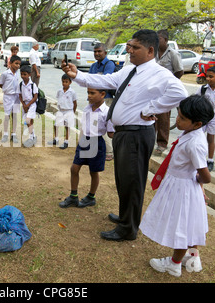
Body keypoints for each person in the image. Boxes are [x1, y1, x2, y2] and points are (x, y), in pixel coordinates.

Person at [62, 29, 188, 241]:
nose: (129, 50)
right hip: (123, 134)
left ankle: (128, 228)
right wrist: (78, 76)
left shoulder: (159, 74)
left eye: (135, 47)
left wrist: (151, 109)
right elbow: (107, 81)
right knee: (123, 180)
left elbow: (181, 94)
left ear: (150, 50)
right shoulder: (131, 70)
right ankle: (124, 216)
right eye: (129, 46)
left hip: (137, 135)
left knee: (133, 181)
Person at [140, 94, 214, 277]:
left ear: (197, 124)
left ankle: (174, 264)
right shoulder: (190, 132)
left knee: (181, 227)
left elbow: (205, 175)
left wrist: (199, 184)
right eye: (178, 115)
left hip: (183, 188)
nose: (177, 120)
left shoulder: (195, 144)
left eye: (182, 118)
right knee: (190, 225)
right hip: (180, 184)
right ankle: (191, 258)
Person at [59, 88, 114, 208]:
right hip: (84, 141)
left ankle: (91, 197)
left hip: (97, 142)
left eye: (92, 93)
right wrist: (79, 142)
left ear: (103, 94)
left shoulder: (107, 112)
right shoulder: (87, 108)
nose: (89, 96)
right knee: (74, 168)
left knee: (93, 172)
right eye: (88, 93)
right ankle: (73, 196)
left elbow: (111, 132)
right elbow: (83, 127)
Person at [154, 29, 184, 156]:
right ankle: (150, 140)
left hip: (166, 90)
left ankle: (162, 143)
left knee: (163, 118)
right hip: (153, 89)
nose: (156, 41)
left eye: (158, 38)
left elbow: (179, 71)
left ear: (165, 40)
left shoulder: (173, 54)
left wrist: (170, 83)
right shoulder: (153, 52)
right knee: (151, 115)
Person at [89, 43, 115, 161]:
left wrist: (95, 81)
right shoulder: (94, 66)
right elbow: (89, 81)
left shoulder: (110, 64)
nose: (97, 54)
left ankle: (109, 151)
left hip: (106, 98)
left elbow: (105, 82)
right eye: (95, 52)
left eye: (99, 51)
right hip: (93, 99)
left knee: (105, 123)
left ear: (105, 52)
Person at [48, 74, 77, 149]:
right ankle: (56, 139)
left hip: (69, 111)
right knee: (56, 125)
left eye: (66, 82)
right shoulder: (60, 91)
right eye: (63, 82)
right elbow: (59, 99)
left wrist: (72, 112)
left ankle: (66, 141)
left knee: (67, 126)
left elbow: (75, 103)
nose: (64, 83)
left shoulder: (72, 92)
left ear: (70, 82)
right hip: (61, 110)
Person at [0, 55, 21, 144]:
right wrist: (7, 89)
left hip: (16, 97)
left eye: (19, 64)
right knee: (7, 115)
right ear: (10, 63)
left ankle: (14, 133)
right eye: (16, 63)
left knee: (15, 115)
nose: (18, 66)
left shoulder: (18, 73)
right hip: (8, 97)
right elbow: (1, 84)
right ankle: (5, 134)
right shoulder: (5, 74)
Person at [19, 65, 38, 148]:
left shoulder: (33, 85)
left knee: (28, 120)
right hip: (25, 105)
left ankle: (31, 137)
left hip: (32, 104)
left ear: (29, 74)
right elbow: (19, 95)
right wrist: (23, 105)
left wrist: (28, 105)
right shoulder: (21, 84)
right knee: (29, 121)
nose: (23, 76)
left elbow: (35, 97)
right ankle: (33, 135)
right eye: (21, 74)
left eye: (25, 74)